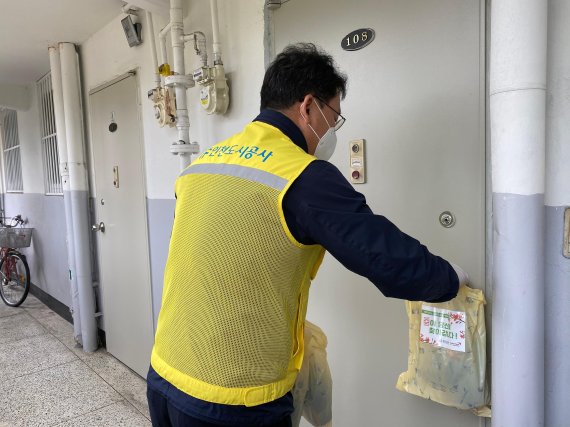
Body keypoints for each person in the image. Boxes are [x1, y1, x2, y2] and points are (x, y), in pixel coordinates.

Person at [147, 42, 468, 427]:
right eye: (334, 117)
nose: (332, 130)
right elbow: (385, 256)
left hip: (165, 373)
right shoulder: (302, 174)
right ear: (308, 106)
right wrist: (450, 278)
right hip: (234, 399)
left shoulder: (204, 162)